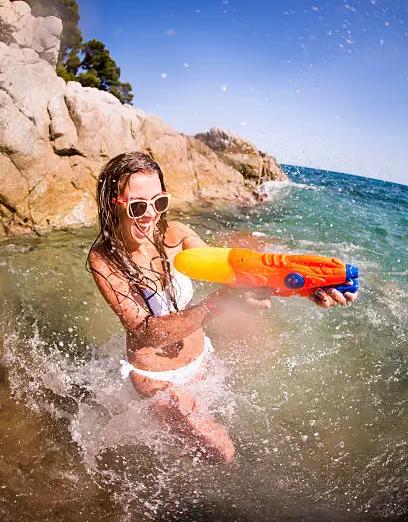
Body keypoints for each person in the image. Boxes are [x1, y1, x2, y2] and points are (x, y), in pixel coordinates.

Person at [88, 152, 358, 463]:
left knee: (199, 456)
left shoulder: (174, 233)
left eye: (159, 202)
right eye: (138, 206)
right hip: (157, 381)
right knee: (222, 453)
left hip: (201, 364)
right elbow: (144, 331)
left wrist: (301, 284)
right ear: (114, 203)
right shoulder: (104, 258)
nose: (150, 214)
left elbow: (230, 269)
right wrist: (220, 302)